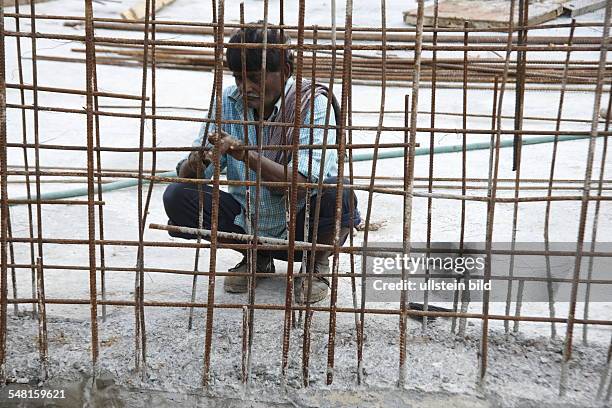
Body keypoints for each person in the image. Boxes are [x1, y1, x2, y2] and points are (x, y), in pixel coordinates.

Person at [163, 23, 361, 304]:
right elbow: (189, 177)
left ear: (286, 73)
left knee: (337, 194)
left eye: (255, 78)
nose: (246, 88)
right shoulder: (227, 103)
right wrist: (200, 160)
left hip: (303, 225)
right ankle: (257, 255)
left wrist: (246, 155)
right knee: (178, 196)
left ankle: (315, 263)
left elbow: (303, 183)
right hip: (249, 219)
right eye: (239, 79)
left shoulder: (311, 104)